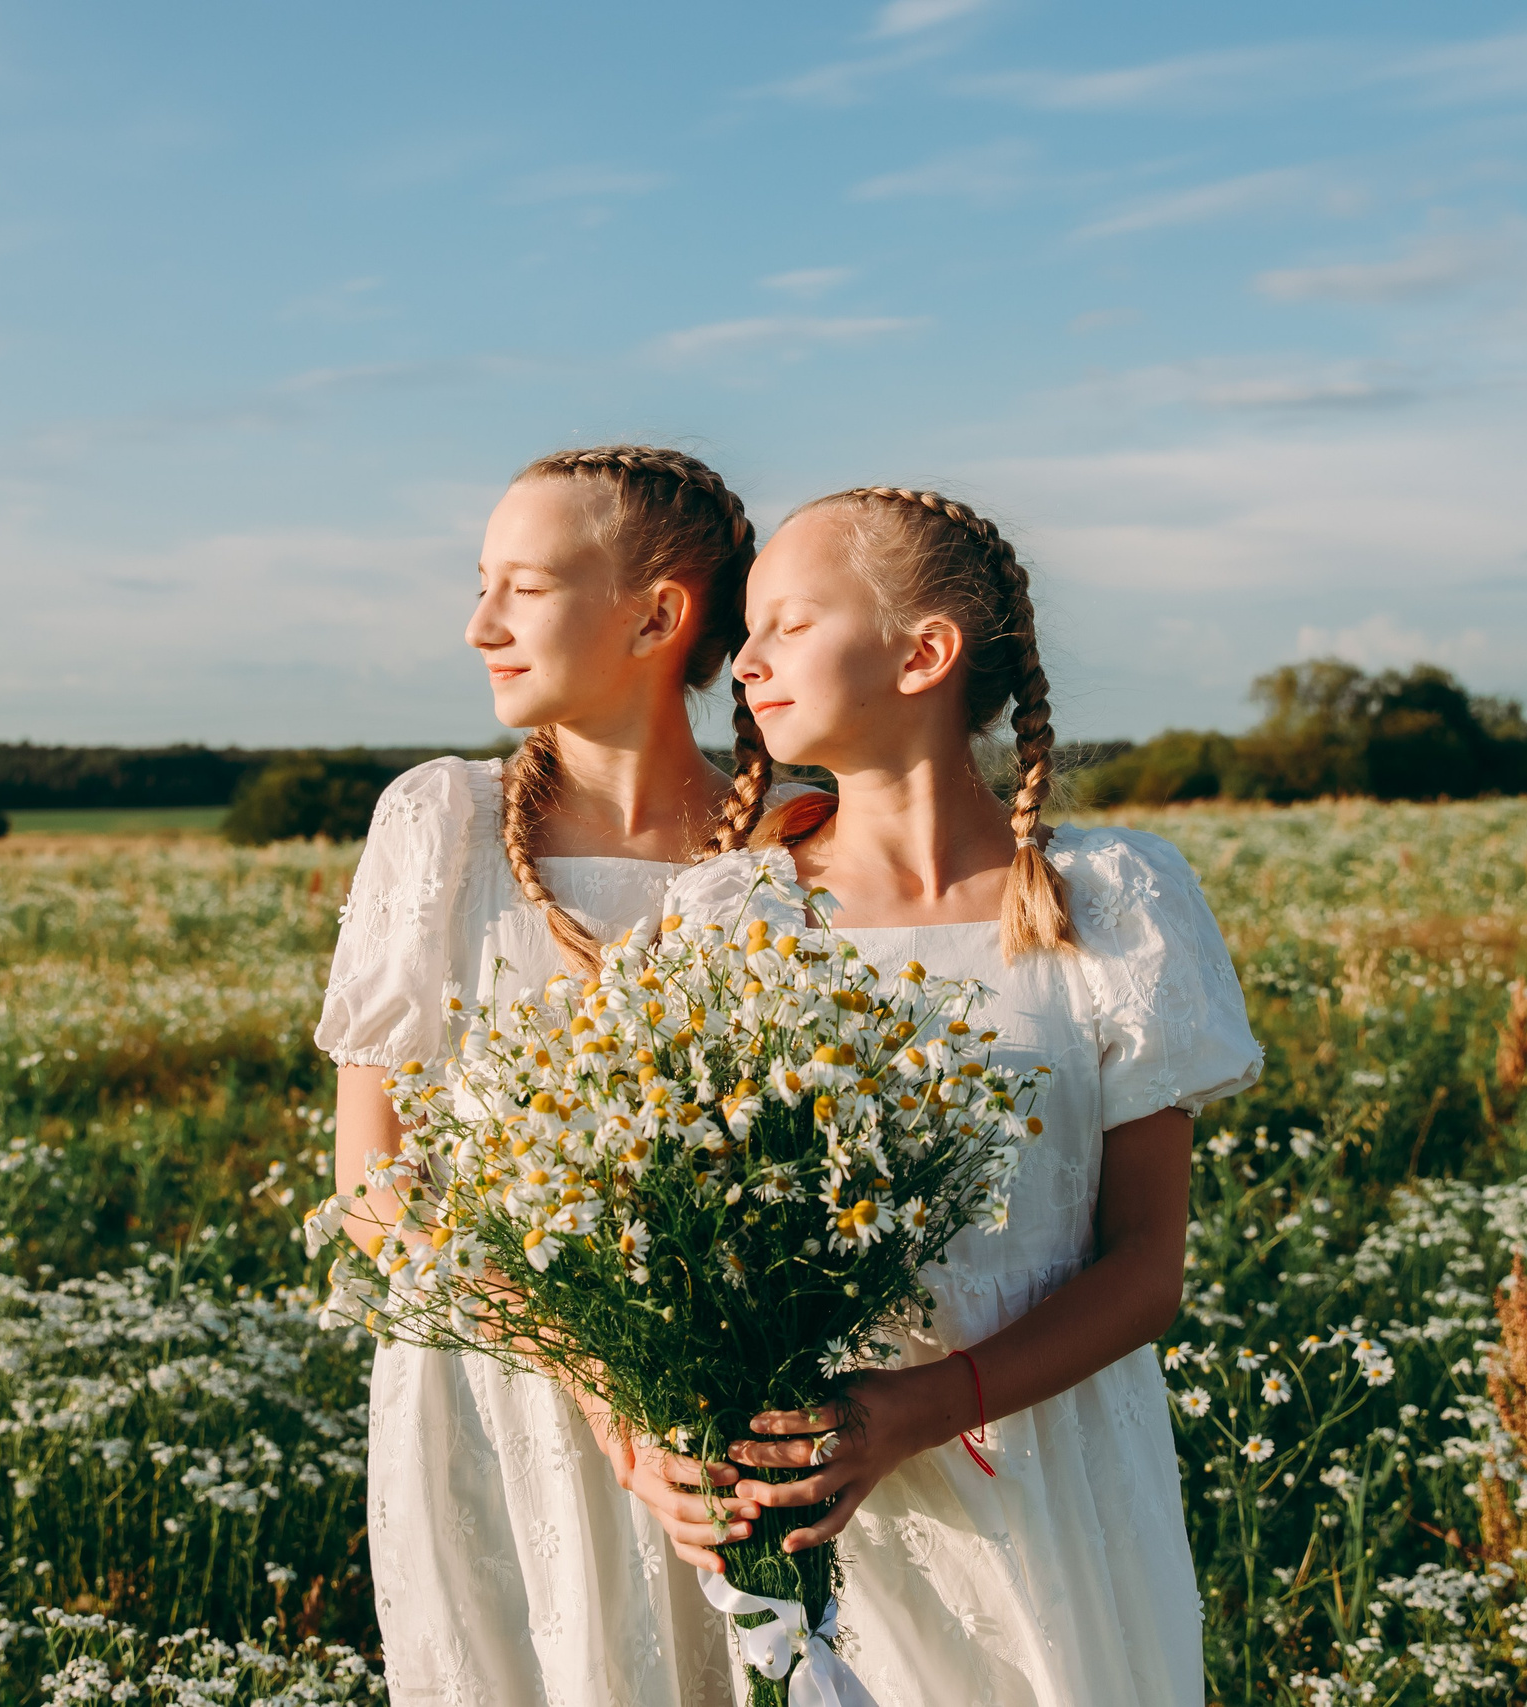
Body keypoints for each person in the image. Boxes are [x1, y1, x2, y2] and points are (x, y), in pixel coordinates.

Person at [638, 486, 1263, 1705]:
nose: (743, 662)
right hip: (816, 1497)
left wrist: (921, 1409)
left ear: (923, 653)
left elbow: (1146, 1268)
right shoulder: (734, 917)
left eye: (788, 625)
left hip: (1050, 1470)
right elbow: (679, 1252)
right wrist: (656, 1436)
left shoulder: (1114, 901)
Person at [315, 446, 809, 1707]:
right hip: (499, 1388)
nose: (479, 625)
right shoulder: (444, 824)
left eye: (522, 588)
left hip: (733, 1409)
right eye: (483, 584)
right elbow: (373, 1188)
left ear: (657, 614)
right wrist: (599, 1382)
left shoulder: (801, 842)